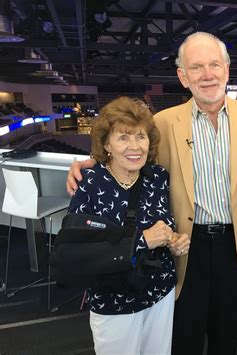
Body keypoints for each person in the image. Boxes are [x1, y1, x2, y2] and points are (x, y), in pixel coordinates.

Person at [66, 32, 237, 355]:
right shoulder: (162, 123)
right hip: (185, 247)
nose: (207, 75)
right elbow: (131, 150)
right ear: (182, 76)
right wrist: (92, 161)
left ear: (227, 70)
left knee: (227, 338)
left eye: (215, 65)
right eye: (197, 67)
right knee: (183, 339)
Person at [67, 96, 190, 355]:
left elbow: (165, 226)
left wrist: (175, 241)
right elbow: (77, 250)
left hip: (159, 292)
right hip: (113, 299)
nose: (134, 146)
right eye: (123, 137)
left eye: (140, 137)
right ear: (106, 144)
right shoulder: (90, 182)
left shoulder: (158, 177)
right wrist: (143, 239)